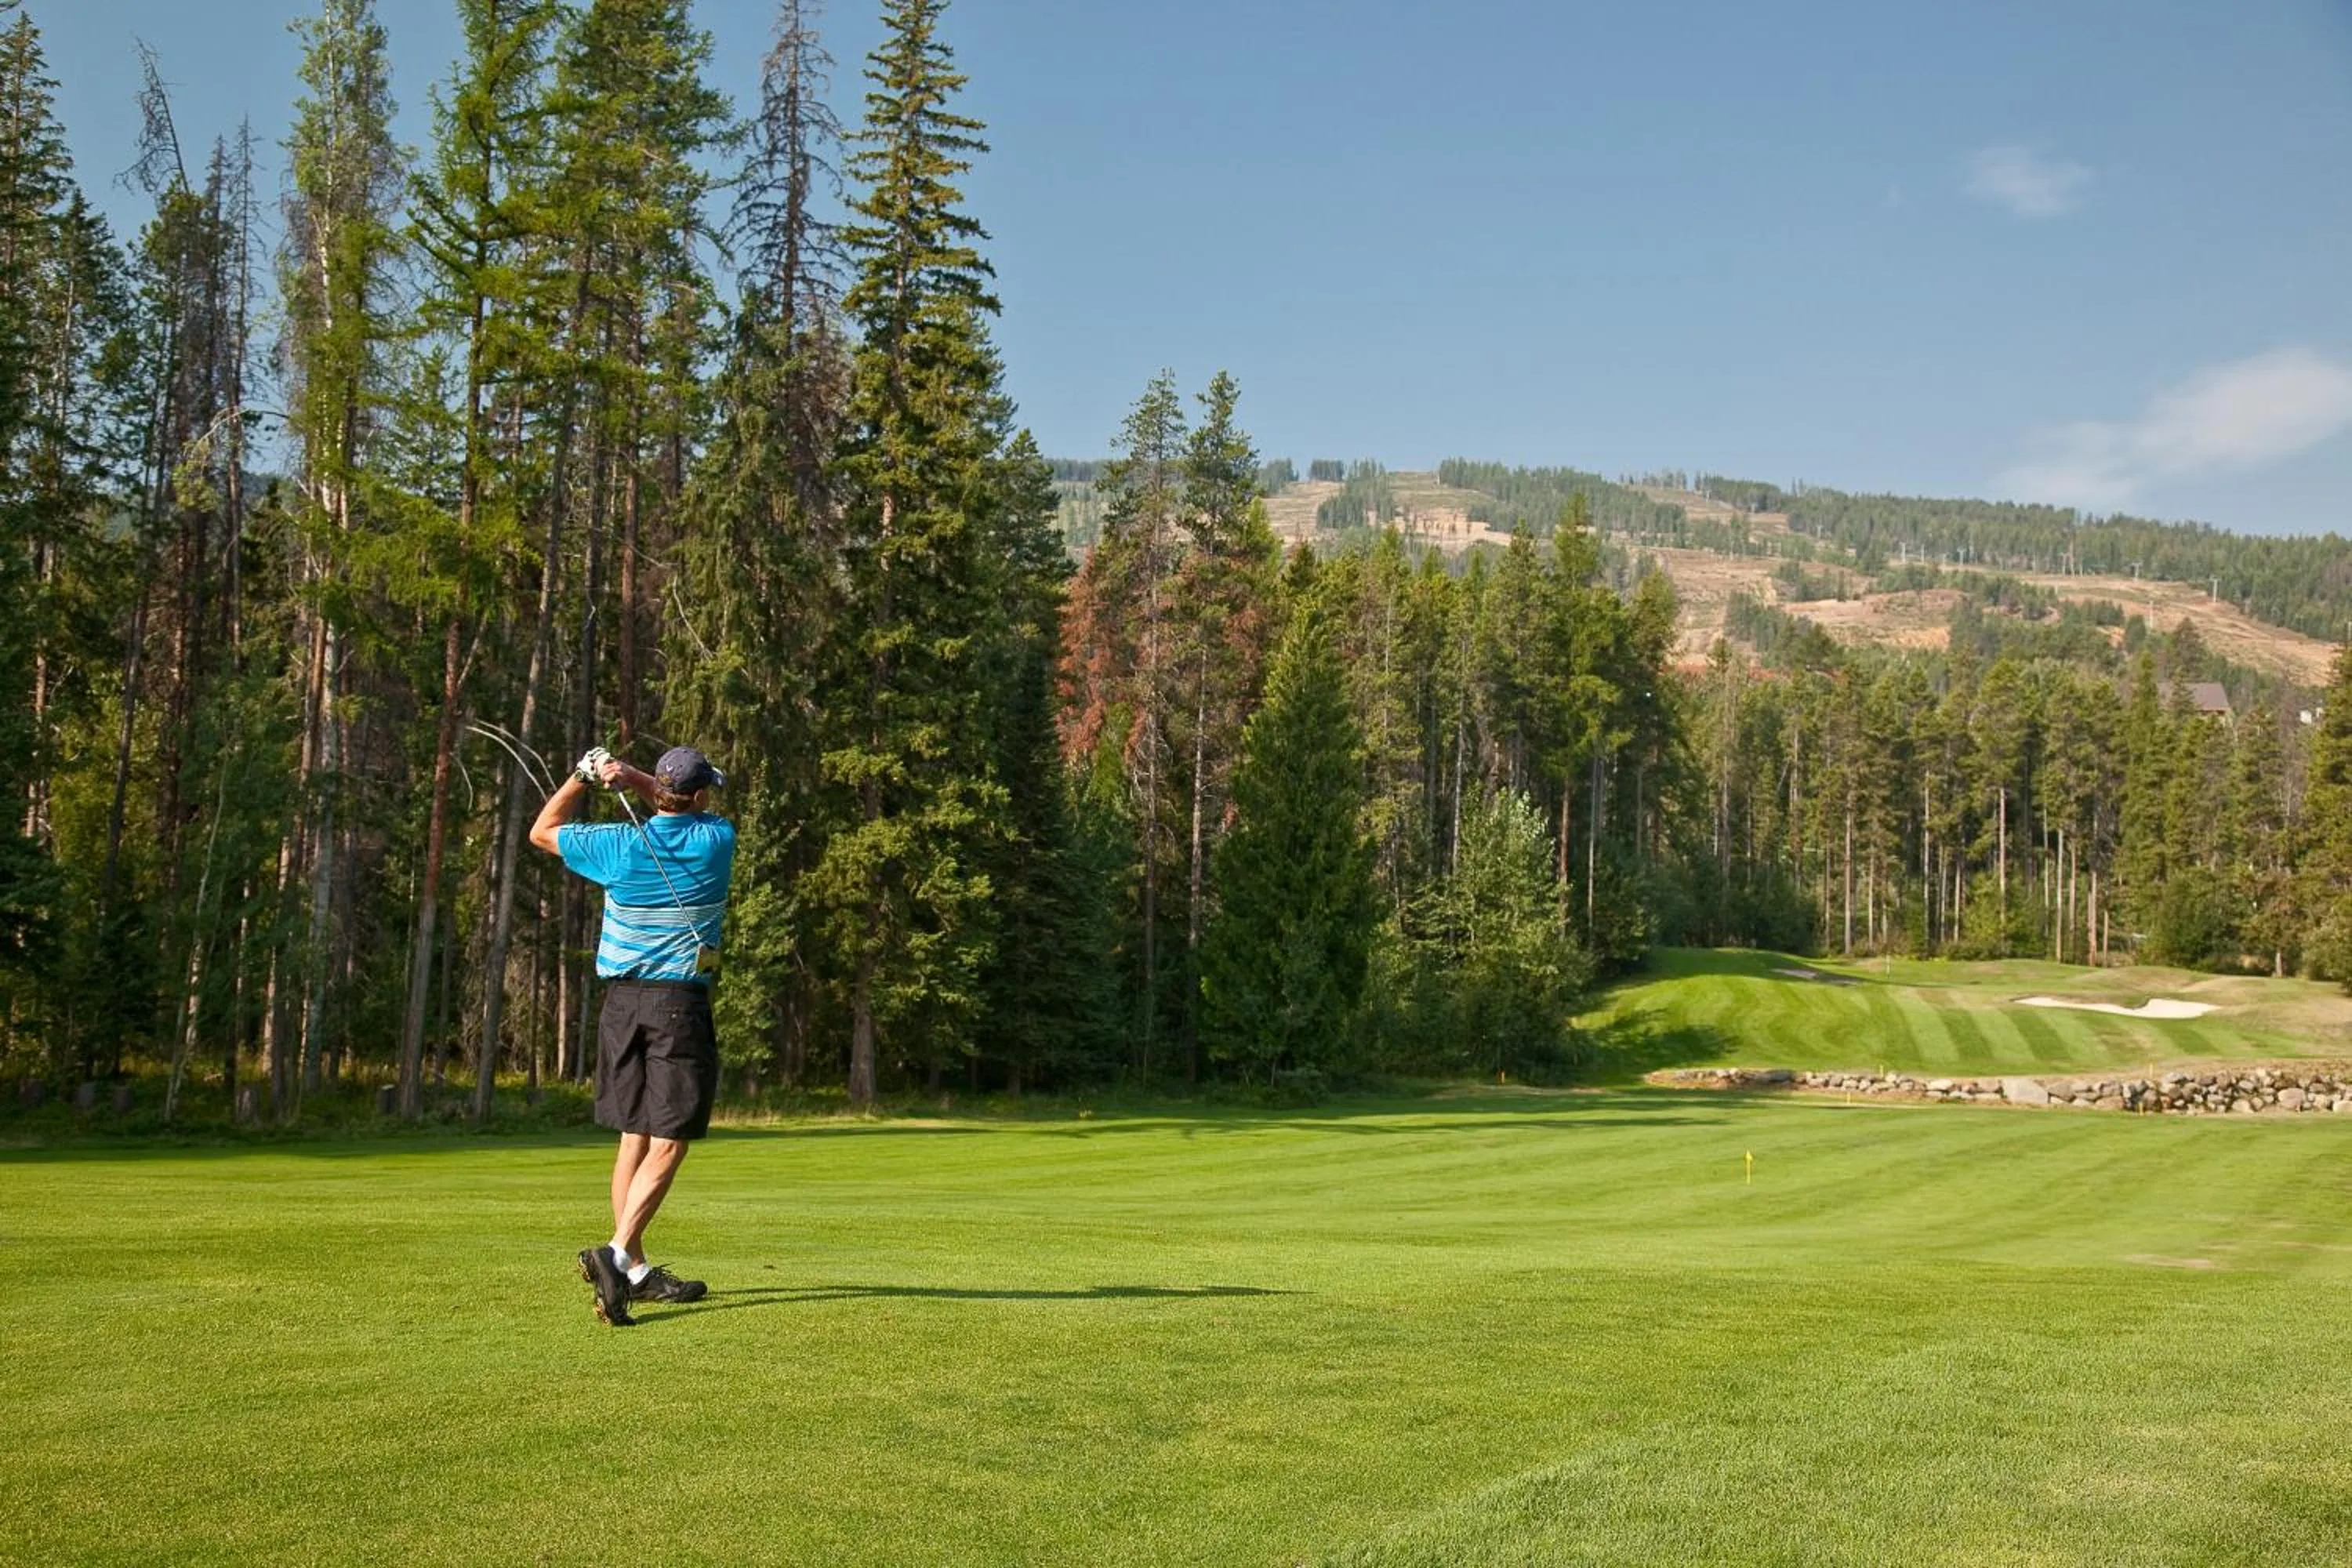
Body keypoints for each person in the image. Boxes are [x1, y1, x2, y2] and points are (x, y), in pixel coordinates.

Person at [528, 743, 736, 1327]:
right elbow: (672, 797)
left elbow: (543, 830)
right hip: (677, 1005)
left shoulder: (618, 847)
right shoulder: (715, 839)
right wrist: (637, 777)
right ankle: (616, 1257)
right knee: (671, 1139)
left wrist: (585, 776)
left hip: (620, 1005)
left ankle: (638, 1273)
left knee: (634, 1137)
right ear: (699, 797)